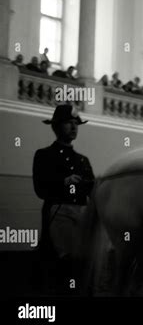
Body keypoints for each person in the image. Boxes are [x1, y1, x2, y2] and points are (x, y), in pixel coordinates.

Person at [32, 104, 95, 295]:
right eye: (69, 123)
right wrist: (63, 182)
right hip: (58, 215)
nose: (74, 127)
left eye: (76, 123)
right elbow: (40, 190)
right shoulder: (44, 155)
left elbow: (91, 191)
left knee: (83, 267)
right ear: (57, 127)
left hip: (81, 217)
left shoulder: (83, 160)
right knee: (64, 268)